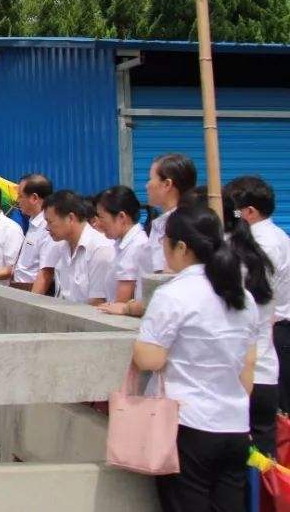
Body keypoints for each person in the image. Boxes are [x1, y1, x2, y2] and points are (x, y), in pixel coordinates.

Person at [133, 205, 259, 511]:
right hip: (235, 423)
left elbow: (148, 358)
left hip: (189, 424)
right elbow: (248, 368)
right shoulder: (242, 295)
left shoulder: (174, 294)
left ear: (181, 247)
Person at [224, 175, 290, 416]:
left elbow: (250, 296)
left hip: (272, 336)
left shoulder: (264, 244)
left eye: (232, 213)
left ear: (249, 212)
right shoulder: (270, 237)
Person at [43, 190, 115, 305]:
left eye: (50, 222)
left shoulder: (100, 249)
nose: (47, 228)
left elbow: (97, 303)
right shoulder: (59, 247)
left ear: (71, 218)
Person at [93, 186, 151, 316]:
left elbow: (120, 303)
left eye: (102, 217)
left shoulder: (136, 246)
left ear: (121, 217)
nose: (99, 224)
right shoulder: (121, 244)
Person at [145, 153, 197, 274]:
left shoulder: (182, 225)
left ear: (167, 184)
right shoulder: (161, 223)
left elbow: (166, 276)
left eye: (150, 179)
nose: (147, 185)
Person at [11, 174, 63, 295]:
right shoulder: (33, 222)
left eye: (20, 196)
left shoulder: (47, 227)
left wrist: (31, 305)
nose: (17, 201)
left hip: (33, 291)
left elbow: (46, 272)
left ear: (34, 198)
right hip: (20, 288)